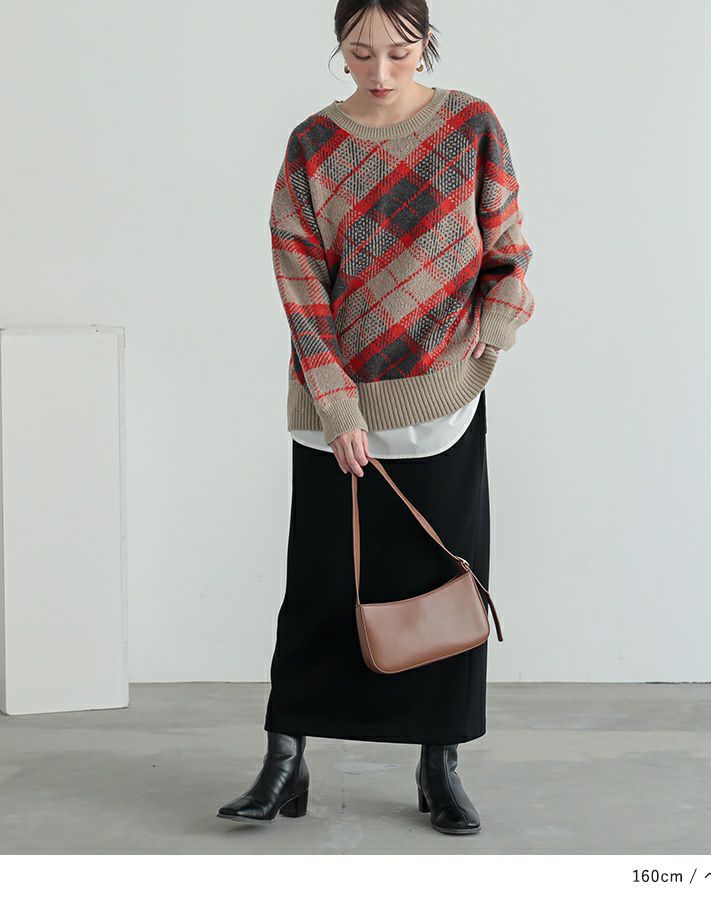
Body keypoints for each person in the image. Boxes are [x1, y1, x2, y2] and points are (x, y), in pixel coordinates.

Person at [218, 0, 535, 836]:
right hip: (336, 407)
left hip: (443, 395)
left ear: (426, 40)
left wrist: (496, 326)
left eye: (400, 50)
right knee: (321, 585)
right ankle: (285, 760)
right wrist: (337, 403)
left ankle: (440, 763)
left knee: (443, 586)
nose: (381, 71)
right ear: (339, 50)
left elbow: (507, 250)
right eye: (360, 53)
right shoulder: (313, 145)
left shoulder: (471, 125)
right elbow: (300, 285)